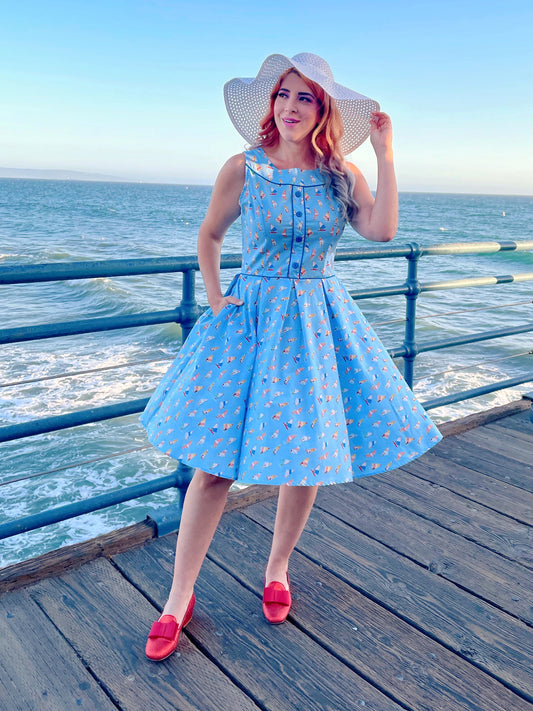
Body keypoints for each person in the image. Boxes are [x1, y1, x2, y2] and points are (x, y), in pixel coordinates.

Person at [140, 52, 442, 661]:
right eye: (284, 95)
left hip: (317, 325)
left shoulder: (340, 172)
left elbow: (381, 231)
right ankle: (178, 598)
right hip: (250, 322)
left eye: (306, 97)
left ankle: (277, 570)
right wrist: (216, 295)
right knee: (214, 464)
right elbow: (210, 235)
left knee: (305, 456)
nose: (292, 106)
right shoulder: (243, 168)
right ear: (271, 103)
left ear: (323, 109)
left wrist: (385, 154)